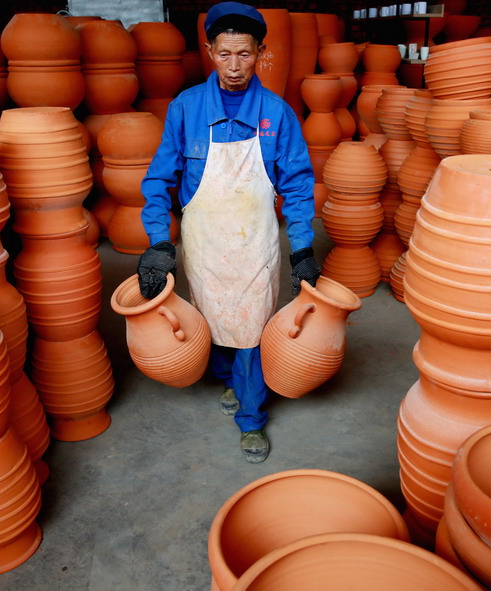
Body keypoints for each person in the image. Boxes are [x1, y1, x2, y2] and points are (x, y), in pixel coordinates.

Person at [138, 1, 321, 463]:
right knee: (210, 314)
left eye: (245, 54)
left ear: (260, 52)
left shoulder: (277, 114)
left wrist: (301, 248)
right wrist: (160, 242)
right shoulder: (186, 109)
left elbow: (298, 185)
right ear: (209, 51)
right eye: (225, 54)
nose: (235, 66)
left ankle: (252, 419)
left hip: (254, 244)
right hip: (204, 243)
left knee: (252, 328)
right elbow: (159, 180)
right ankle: (228, 381)